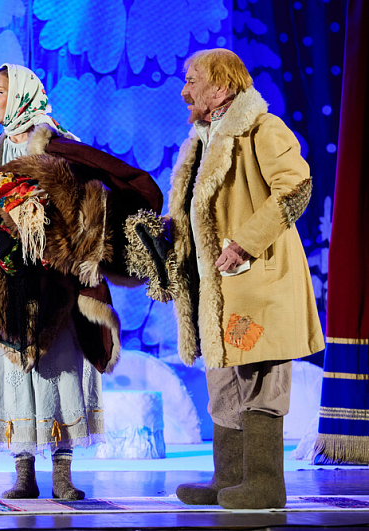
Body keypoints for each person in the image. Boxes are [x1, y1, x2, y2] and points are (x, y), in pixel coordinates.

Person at [0, 64, 161, 500]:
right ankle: (23, 473)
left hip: (53, 276)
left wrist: (58, 230)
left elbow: (87, 200)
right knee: (14, 370)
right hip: (5, 276)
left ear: (21, 93)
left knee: (59, 369)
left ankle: (62, 474)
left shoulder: (57, 141)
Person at [124, 49, 324, 509]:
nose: (184, 91)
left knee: (260, 378)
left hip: (258, 281)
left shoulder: (262, 129)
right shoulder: (198, 141)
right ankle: (228, 477)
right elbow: (198, 215)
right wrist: (165, 238)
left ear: (221, 87)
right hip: (216, 287)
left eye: (192, 80)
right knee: (224, 380)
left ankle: (265, 482)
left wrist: (246, 242)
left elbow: (297, 187)